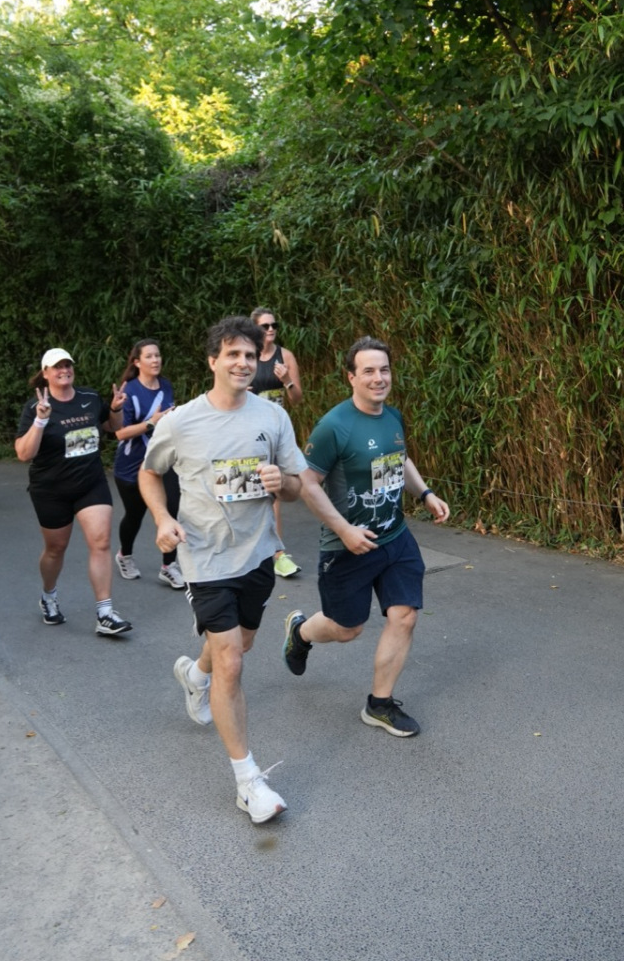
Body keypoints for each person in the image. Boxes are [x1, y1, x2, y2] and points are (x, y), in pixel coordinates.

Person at [139, 316, 306, 825]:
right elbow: (149, 473)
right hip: (204, 557)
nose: (242, 363)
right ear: (213, 361)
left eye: (250, 355)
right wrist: (162, 518)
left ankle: (195, 674)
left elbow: (296, 485)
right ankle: (248, 781)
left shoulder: (273, 417)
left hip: (257, 554)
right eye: (232, 354)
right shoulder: (181, 422)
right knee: (231, 661)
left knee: (239, 645)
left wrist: (281, 483)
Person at [283, 335, 450, 737]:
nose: (379, 378)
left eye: (384, 370)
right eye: (369, 371)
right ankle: (301, 632)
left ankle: (379, 704)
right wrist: (344, 530)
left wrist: (425, 493)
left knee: (404, 616)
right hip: (347, 546)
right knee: (347, 628)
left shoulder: (392, 417)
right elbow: (307, 483)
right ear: (351, 377)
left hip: (395, 537)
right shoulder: (333, 427)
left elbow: (400, 459)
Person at [15, 347, 133, 637]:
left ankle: (105, 613)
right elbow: (24, 453)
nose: (64, 370)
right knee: (56, 549)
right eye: (57, 367)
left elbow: (111, 427)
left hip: (90, 483)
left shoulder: (89, 397)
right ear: (46, 373)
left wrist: (116, 409)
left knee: (101, 541)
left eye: (67, 365)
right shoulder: (35, 407)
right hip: (51, 489)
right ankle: (48, 595)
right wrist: (41, 420)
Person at [112, 338, 183, 588]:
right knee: (135, 515)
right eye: (149, 356)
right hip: (131, 465)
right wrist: (152, 422)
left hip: (162, 462)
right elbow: (120, 433)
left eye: (158, 355)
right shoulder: (129, 391)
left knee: (171, 510)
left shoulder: (166, 385)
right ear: (137, 362)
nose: (155, 360)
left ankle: (168, 566)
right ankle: (125, 555)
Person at [249, 308, 303, 579]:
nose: (270, 329)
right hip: (250, 431)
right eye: (265, 326)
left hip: (276, 431)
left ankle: (278, 554)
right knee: (251, 490)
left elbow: (297, 399)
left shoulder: (286, 356)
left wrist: (287, 381)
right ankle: (254, 548)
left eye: (274, 325)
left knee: (275, 491)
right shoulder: (247, 356)